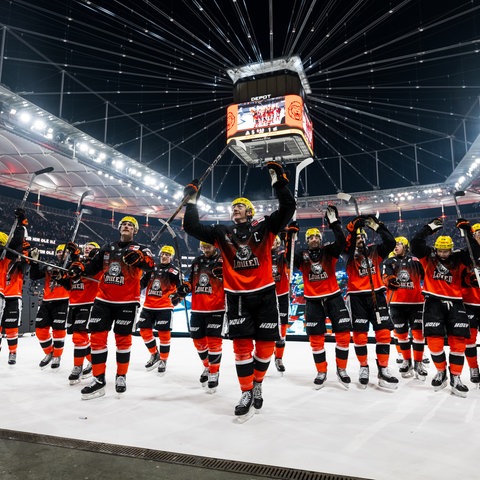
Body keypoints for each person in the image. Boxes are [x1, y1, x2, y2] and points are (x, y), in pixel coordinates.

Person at [182, 161, 295, 420]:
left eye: (240, 205)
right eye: (233, 206)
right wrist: (192, 200)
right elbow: (191, 227)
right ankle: (246, 391)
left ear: (250, 211)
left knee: (266, 346)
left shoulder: (264, 227)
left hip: (265, 293)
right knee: (242, 348)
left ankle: (257, 383)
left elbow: (288, 207)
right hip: (236, 298)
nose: (235, 208)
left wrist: (279, 182)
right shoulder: (222, 232)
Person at [68, 216, 154, 399]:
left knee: (123, 341)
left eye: (130, 225)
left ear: (135, 231)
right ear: (119, 228)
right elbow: (91, 268)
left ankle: (121, 376)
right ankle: (98, 380)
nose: (126, 226)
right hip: (103, 300)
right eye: (123, 224)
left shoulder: (141, 249)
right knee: (97, 339)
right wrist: (78, 268)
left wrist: (140, 259)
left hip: (127, 302)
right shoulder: (107, 247)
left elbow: (150, 266)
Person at [411, 217, 480, 397]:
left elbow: (475, 252)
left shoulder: (458, 257)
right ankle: (441, 371)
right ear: (436, 248)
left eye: (446, 250)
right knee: (434, 343)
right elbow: (415, 243)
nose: (443, 254)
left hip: (456, 302)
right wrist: (429, 228)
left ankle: (455, 377)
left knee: (459, 342)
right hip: (433, 301)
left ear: (451, 249)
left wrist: (467, 232)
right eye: (440, 250)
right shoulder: (428, 256)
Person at [288, 206, 352, 389]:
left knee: (343, 335)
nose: (314, 239)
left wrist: (334, 223)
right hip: (312, 300)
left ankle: (342, 369)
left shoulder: (329, 251)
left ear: (321, 239)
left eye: (316, 236)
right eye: (310, 237)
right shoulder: (301, 255)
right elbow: (288, 259)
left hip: (333, 297)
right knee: (316, 339)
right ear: (306, 241)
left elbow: (341, 242)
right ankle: (321, 371)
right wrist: (289, 237)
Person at [343, 215, 398, 389]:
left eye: (361, 237)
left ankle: (383, 369)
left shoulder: (375, 250)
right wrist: (352, 230)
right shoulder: (348, 255)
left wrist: (378, 227)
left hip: (377, 294)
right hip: (357, 296)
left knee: (383, 334)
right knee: (360, 335)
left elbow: (390, 243)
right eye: (357, 238)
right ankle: (364, 367)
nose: (359, 240)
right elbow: (347, 246)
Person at [382, 236, 428, 380]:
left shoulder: (416, 261)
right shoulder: (388, 261)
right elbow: (385, 276)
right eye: (394, 244)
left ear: (406, 246)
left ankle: (419, 363)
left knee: (418, 335)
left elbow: (426, 276)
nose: (395, 246)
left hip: (416, 303)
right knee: (401, 335)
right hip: (397, 303)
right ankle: (407, 361)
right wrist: (389, 280)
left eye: (399, 244)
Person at [138, 244, 186, 375]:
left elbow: (182, 288)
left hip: (164, 306)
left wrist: (179, 297)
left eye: (167, 255)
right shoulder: (151, 268)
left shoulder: (174, 271)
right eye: (163, 254)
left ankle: (164, 360)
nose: (164, 256)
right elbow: (142, 283)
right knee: (144, 331)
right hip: (148, 305)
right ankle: (155, 354)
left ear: (171, 257)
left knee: (164, 335)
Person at [187, 241, 225, 392]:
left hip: (216, 307)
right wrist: (185, 287)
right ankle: (207, 367)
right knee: (198, 342)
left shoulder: (223, 260)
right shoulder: (197, 261)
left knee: (214, 342)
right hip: (197, 307)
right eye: (203, 247)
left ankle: (214, 372)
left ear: (215, 246)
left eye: (208, 246)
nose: (205, 249)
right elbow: (191, 281)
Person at [62, 241, 101, 384]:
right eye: (86, 248)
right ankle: (93, 363)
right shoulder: (77, 263)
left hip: (89, 303)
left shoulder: (96, 264)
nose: (87, 250)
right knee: (81, 339)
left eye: (90, 248)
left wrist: (75, 258)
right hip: (73, 304)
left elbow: (89, 270)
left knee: (79, 337)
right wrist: (61, 278)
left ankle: (77, 367)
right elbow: (69, 284)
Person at [30, 243, 72, 369]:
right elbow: (34, 276)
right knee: (40, 331)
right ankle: (49, 352)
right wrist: (35, 262)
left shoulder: (72, 266)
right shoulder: (50, 266)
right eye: (58, 252)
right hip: (47, 301)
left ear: (68, 254)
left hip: (63, 301)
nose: (60, 254)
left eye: (63, 252)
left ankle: (57, 356)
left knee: (58, 331)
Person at [0, 209, 28, 364]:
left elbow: (17, 242)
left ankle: (12, 352)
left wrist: (20, 223)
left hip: (10, 295)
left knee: (10, 327)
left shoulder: (8, 258)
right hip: (4, 294)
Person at [463, 222, 480, 386]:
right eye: (477, 233)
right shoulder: (467, 254)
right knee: (470, 340)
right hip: (470, 303)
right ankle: (473, 368)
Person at [271, 234, 290, 373]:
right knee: (266, 328)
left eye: (275, 241)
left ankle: (279, 357)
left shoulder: (282, 255)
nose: (272, 243)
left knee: (282, 330)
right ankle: (264, 355)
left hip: (282, 294)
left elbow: (290, 255)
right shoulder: (261, 253)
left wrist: (287, 239)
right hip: (266, 294)